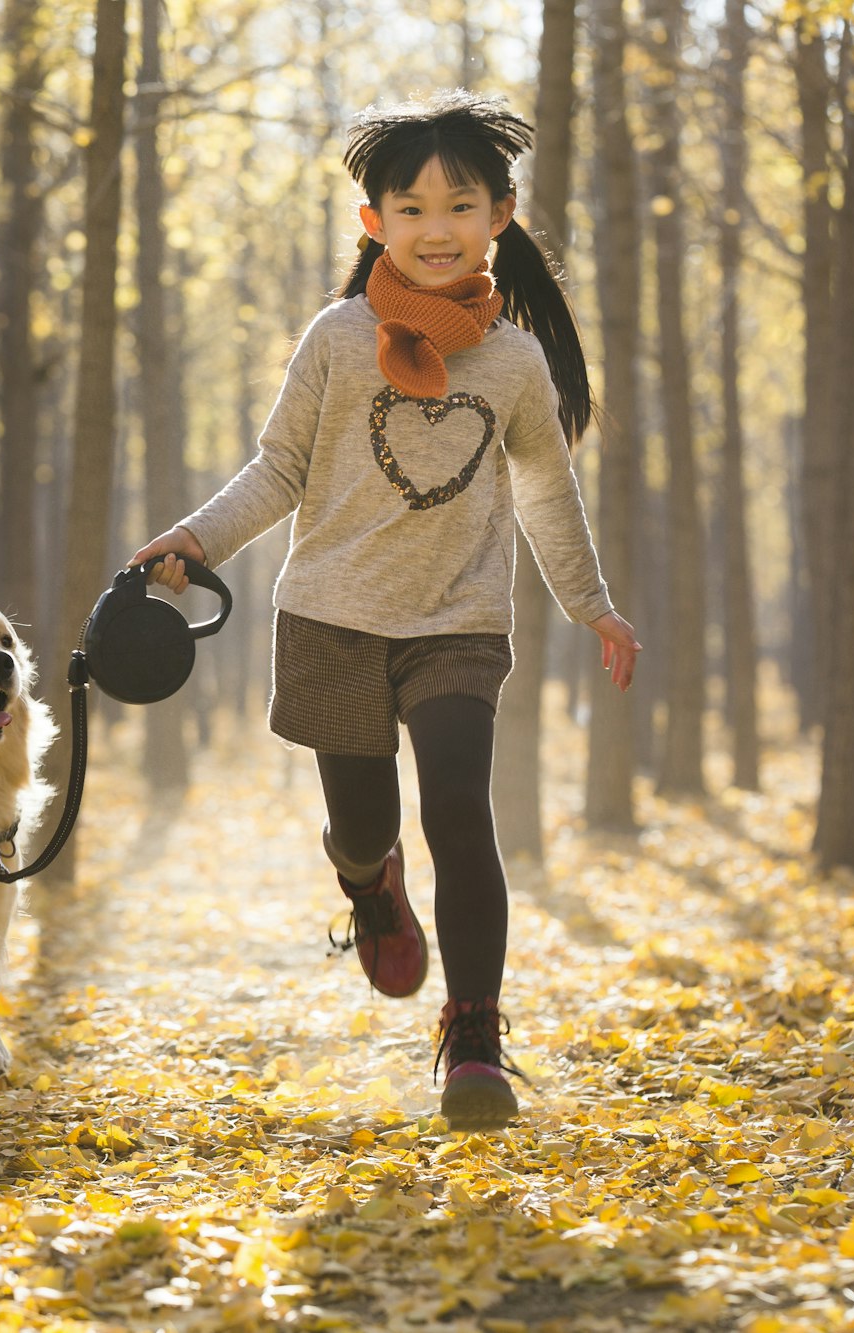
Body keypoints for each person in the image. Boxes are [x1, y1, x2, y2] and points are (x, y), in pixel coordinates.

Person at [129, 90, 638, 1130]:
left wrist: (591, 605)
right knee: (362, 826)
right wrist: (194, 539)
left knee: (459, 802)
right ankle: (369, 886)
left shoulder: (512, 362)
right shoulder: (333, 338)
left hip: (457, 621)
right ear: (373, 226)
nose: (434, 228)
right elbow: (276, 470)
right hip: (330, 618)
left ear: (498, 214)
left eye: (457, 206)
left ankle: (475, 1039)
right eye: (408, 209)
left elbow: (545, 491)